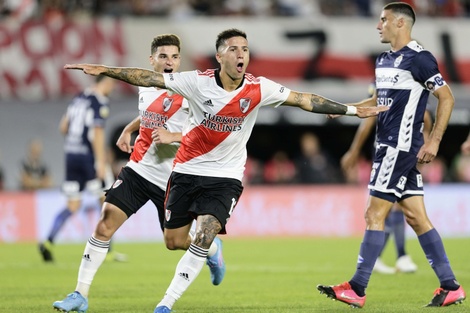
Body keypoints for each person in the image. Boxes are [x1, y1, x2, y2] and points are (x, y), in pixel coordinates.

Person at [64, 28, 388, 313]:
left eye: (245, 49)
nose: (241, 54)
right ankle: (81, 293)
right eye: (233, 49)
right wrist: (107, 73)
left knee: (203, 234)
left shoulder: (255, 88)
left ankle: (166, 304)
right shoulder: (193, 83)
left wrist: (349, 110)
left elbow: (304, 99)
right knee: (170, 240)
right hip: (177, 172)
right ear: (220, 56)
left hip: (224, 177)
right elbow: (147, 85)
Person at [52, 34, 226, 313]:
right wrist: (130, 128)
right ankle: (79, 295)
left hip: (171, 180)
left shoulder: (192, 91)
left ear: (179, 60)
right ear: (152, 60)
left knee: (175, 242)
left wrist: (174, 136)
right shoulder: (145, 84)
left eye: (174, 57)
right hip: (137, 170)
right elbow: (149, 112)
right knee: (104, 223)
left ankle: (213, 250)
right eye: (163, 56)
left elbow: (209, 134)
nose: (169, 62)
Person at [317, 2, 466, 308]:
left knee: (373, 214)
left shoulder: (420, 58)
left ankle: (357, 288)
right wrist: (348, 109)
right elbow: (379, 99)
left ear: (400, 23)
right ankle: (450, 286)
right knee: (416, 217)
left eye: (383, 20)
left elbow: (447, 97)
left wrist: (434, 141)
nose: (378, 26)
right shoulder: (384, 59)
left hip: (398, 148)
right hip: (391, 148)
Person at [340, 82, 433, 274]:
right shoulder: (392, 82)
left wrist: (354, 150)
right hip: (390, 152)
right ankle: (400, 256)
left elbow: (425, 117)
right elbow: (371, 115)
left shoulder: (392, 80)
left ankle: (389, 257)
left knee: (391, 209)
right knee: (390, 209)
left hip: (397, 151)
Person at [38, 74, 116, 263]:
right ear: (104, 83)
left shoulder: (78, 98)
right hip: (88, 158)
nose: (111, 88)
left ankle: (48, 241)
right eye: (111, 84)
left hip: (71, 156)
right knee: (106, 201)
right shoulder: (99, 102)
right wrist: (99, 161)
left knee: (73, 205)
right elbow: (97, 133)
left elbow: (63, 127)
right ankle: (108, 250)